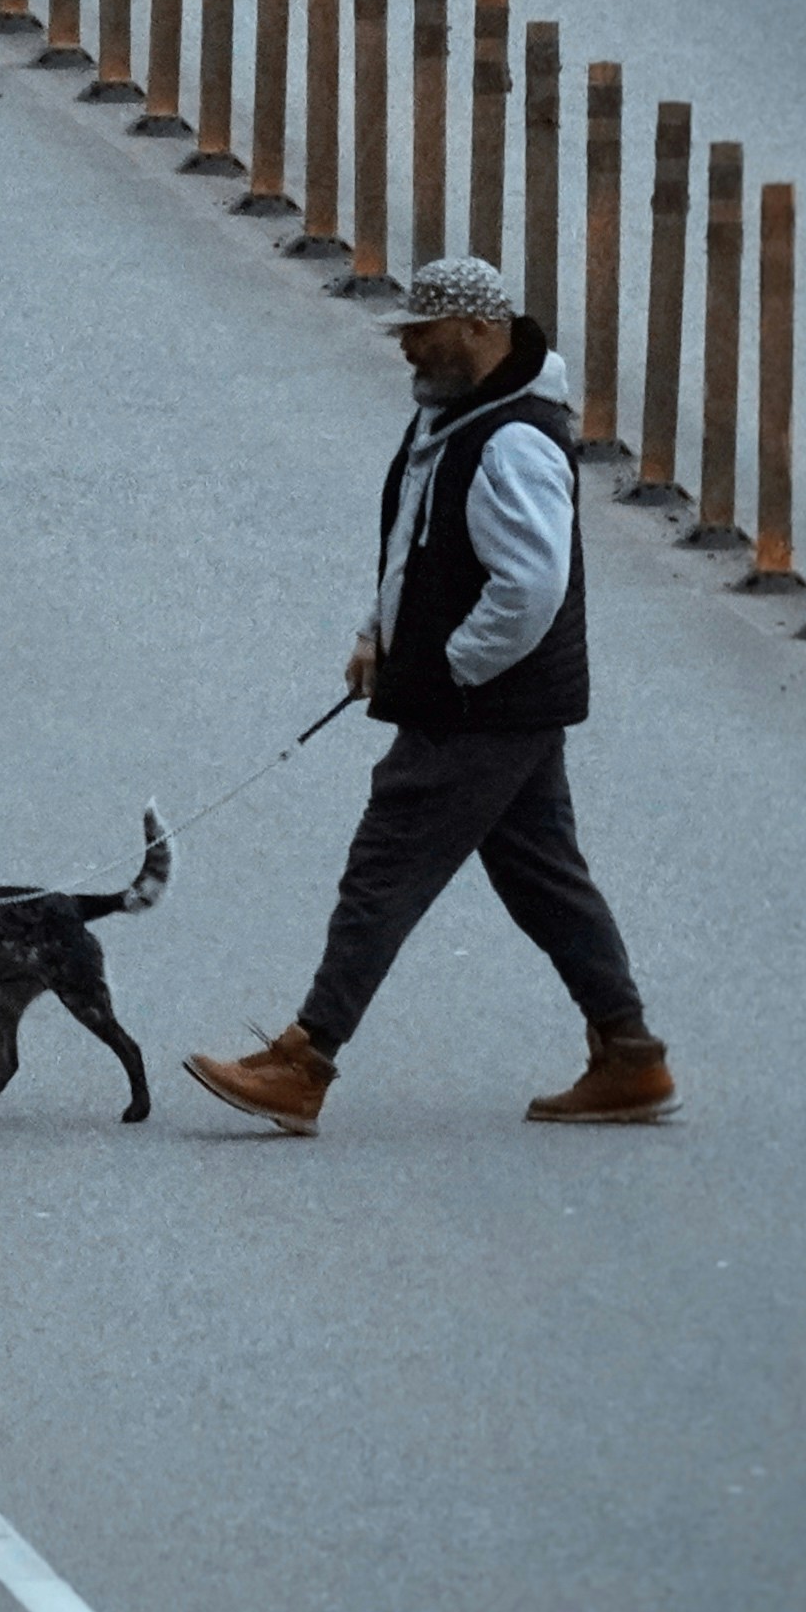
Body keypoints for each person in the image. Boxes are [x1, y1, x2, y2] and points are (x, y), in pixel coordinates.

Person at [184, 256, 676, 1134]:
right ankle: (631, 1058)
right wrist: (379, 635)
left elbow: (529, 587)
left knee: (384, 868)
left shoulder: (513, 438)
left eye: (424, 329)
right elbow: (419, 542)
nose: (406, 344)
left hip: (482, 707)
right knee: (544, 880)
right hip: (494, 702)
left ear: (482, 331)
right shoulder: (456, 418)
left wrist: (447, 669)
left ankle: (306, 1062)